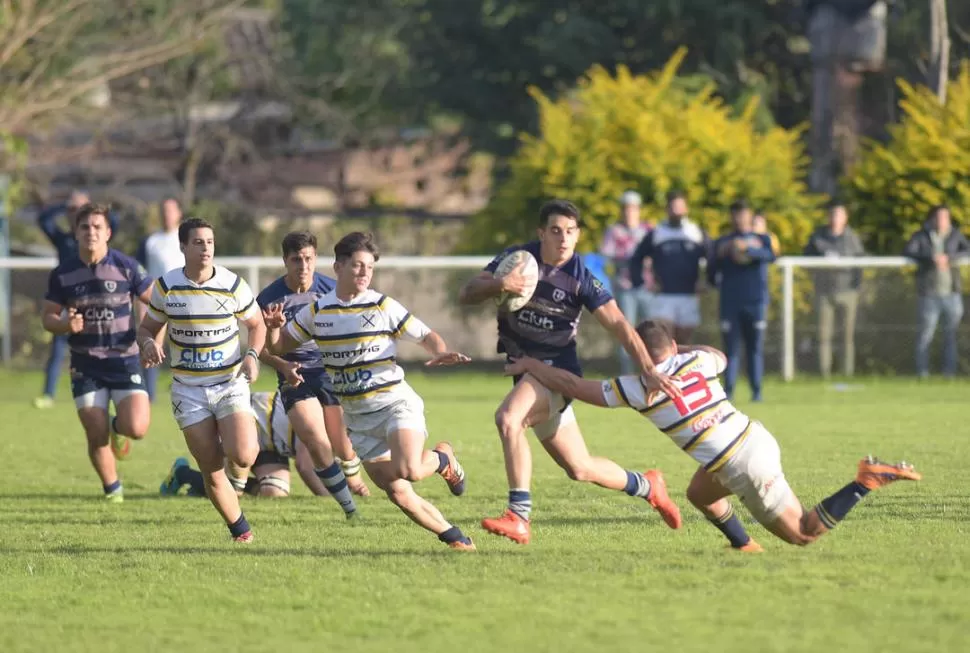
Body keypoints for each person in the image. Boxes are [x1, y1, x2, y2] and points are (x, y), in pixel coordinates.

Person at [506, 320, 923, 552]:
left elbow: (575, 386)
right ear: (672, 345)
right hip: (751, 436)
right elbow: (719, 355)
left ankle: (865, 479)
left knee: (804, 534)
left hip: (743, 463)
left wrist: (530, 365)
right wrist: (679, 348)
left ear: (636, 353)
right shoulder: (699, 362)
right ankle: (743, 546)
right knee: (699, 494)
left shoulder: (637, 388)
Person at [457, 199, 682, 546]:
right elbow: (467, 293)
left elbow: (620, 323)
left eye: (571, 232)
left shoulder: (582, 278)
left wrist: (649, 369)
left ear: (578, 236)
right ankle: (649, 485)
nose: (564, 239)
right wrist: (500, 285)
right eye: (556, 231)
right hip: (526, 374)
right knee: (579, 468)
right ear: (541, 233)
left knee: (508, 419)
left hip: (555, 371)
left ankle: (518, 516)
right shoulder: (517, 260)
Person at [267, 231, 476, 551]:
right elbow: (280, 346)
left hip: (394, 404)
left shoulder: (382, 305)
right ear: (337, 267)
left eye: (369, 267)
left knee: (410, 469)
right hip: (359, 420)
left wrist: (438, 351)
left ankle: (442, 458)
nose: (365, 273)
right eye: (357, 266)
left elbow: (426, 335)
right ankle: (456, 538)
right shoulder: (318, 312)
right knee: (398, 492)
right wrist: (272, 329)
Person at [137, 217, 266, 543]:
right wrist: (148, 343)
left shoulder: (232, 284)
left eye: (209, 241)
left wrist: (252, 356)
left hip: (229, 383)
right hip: (188, 391)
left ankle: (234, 458)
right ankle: (241, 531)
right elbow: (146, 329)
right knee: (210, 466)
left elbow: (258, 324)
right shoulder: (166, 287)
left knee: (245, 455)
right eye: (198, 242)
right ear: (182, 247)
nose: (205, 247)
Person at [41, 203, 153, 502]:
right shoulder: (62, 274)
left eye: (97, 227)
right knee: (95, 431)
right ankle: (112, 490)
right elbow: (48, 318)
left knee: (137, 428)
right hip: (85, 363)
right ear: (75, 233)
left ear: (108, 233)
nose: (91, 232)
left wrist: (149, 339)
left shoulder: (126, 266)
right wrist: (64, 324)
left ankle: (119, 428)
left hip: (124, 358)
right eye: (85, 227)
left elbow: (155, 302)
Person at [257, 231, 371, 517]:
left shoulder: (333, 291)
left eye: (308, 259)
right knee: (316, 442)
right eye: (296, 259)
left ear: (316, 258)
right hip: (294, 375)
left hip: (331, 374)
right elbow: (257, 347)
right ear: (285, 261)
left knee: (344, 447)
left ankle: (353, 473)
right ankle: (349, 508)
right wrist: (282, 365)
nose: (303, 266)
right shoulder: (269, 298)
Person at [160, 390, 333, 498]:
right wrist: (328, 497)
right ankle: (182, 474)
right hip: (247, 427)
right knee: (232, 492)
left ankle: (200, 487)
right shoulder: (324, 417)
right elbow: (305, 466)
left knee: (274, 492)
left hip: (272, 446)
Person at [34, 191, 119, 408]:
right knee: (58, 347)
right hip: (69, 301)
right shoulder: (63, 240)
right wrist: (64, 204)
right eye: (73, 211)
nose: (76, 214)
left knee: (103, 348)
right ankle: (48, 394)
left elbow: (114, 221)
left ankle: (110, 392)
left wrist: (91, 206)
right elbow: (43, 219)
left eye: (80, 210)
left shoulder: (97, 237)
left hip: (97, 300)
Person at [707, 200, 776, 402]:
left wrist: (748, 249)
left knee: (755, 347)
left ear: (750, 215)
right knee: (731, 349)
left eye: (744, 214)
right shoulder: (722, 241)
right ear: (731, 217)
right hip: (730, 303)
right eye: (736, 214)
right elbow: (712, 271)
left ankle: (757, 392)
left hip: (756, 302)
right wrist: (725, 253)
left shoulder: (763, 239)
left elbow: (771, 256)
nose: (740, 219)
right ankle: (728, 393)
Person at [628, 190, 710, 344]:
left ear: (686, 208)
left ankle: (684, 368)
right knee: (665, 338)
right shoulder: (657, 233)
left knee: (684, 340)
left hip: (689, 295)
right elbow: (636, 258)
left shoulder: (695, 232)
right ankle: (666, 369)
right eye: (673, 207)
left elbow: (711, 257)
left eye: (679, 206)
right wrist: (642, 283)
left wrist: (708, 281)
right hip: (663, 296)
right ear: (667, 208)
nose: (676, 210)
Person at [903, 205, 969, 378]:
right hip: (929, 295)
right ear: (931, 219)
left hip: (952, 294)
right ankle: (922, 373)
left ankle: (949, 374)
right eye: (938, 217)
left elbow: (966, 250)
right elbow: (909, 251)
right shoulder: (921, 236)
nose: (942, 221)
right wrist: (931, 258)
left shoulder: (955, 235)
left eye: (945, 217)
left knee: (951, 336)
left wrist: (950, 257)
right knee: (925, 336)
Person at [803, 202, 866, 378]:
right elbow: (806, 259)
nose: (835, 219)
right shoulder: (818, 237)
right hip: (824, 292)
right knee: (823, 335)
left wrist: (857, 286)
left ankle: (847, 373)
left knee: (846, 335)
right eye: (833, 214)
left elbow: (860, 263)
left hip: (847, 291)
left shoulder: (852, 238)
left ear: (845, 218)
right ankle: (824, 373)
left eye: (839, 215)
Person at [136, 197, 186, 401]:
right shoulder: (150, 242)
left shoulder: (186, 240)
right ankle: (149, 393)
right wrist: (141, 304)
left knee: (187, 344)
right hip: (157, 301)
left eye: (171, 210)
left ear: (179, 213)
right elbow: (139, 275)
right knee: (152, 345)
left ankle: (186, 386)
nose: (167, 214)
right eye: (164, 210)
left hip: (186, 301)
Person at [600, 190, 654, 374]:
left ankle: (651, 372)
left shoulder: (647, 230)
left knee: (651, 332)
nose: (629, 212)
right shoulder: (614, 231)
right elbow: (606, 256)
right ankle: (628, 375)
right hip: (624, 288)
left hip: (647, 287)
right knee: (625, 331)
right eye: (625, 208)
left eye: (632, 208)